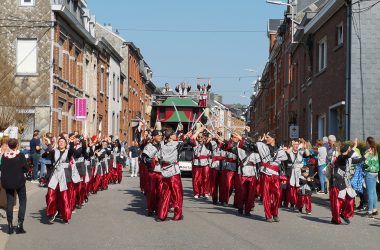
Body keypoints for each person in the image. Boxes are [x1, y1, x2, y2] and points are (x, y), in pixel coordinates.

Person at [156, 129, 190, 221]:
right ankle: (177, 215)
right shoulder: (176, 144)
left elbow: (159, 157)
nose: (175, 135)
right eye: (174, 134)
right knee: (177, 194)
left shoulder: (162, 145)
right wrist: (187, 136)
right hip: (173, 172)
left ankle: (162, 215)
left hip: (164, 172)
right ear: (170, 136)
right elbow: (186, 142)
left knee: (165, 194)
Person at [328, 144, 364, 224]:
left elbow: (358, 160)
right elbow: (347, 156)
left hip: (345, 182)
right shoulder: (340, 158)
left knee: (350, 200)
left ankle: (344, 214)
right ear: (347, 150)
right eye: (349, 149)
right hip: (336, 183)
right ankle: (335, 219)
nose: (350, 150)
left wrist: (366, 154)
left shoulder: (348, 159)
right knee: (337, 202)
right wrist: (354, 147)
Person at [256, 132, 288, 222]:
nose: (266, 139)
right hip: (265, 174)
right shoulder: (263, 146)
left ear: (273, 138)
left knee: (278, 194)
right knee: (266, 195)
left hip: (275, 174)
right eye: (266, 137)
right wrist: (260, 141)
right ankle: (268, 215)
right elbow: (255, 146)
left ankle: (275, 213)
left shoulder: (279, 149)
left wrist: (283, 176)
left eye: (268, 137)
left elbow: (283, 164)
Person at [43, 136, 74, 224]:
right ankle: (51, 213)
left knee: (64, 196)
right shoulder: (54, 151)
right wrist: (49, 145)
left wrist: (71, 142)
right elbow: (45, 156)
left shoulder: (68, 152)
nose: (61, 143)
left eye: (63, 142)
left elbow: (72, 151)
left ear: (65, 143)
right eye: (59, 141)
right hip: (55, 175)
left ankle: (65, 216)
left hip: (65, 175)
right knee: (50, 194)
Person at [0, 138, 28, 234]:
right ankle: (20, 224)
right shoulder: (20, 155)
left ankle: (10, 225)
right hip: (19, 182)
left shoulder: (4, 156)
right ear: (17, 145)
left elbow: (2, 168)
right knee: (23, 201)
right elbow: (26, 168)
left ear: (8, 145)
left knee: (9, 203)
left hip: (8, 183)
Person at [141, 130, 163, 216]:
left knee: (160, 192)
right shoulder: (148, 146)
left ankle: (159, 208)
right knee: (151, 192)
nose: (160, 137)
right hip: (152, 172)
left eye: (161, 135)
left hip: (161, 172)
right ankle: (150, 209)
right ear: (153, 137)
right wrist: (153, 160)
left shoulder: (163, 145)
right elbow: (144, 159)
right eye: (158, 135)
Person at [190, 127, 211, 198]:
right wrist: (198, 131)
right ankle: (196, 192)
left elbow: (211, 139)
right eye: (198, 137)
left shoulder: (207, 143)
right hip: (196, 163)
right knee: (196, 179)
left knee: (206, 178)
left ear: (204, 137)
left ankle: (205, 192)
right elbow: (192, 139)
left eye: (201, 137)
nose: (200, 138)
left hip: (205, 163)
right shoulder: (195, 143)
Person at [363, 137, 379, 218]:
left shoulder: (368, 151)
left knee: (370, 192)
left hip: (369, 173)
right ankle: (375, 209)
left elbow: (365, 162)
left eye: (366, 142)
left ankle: (369, 211)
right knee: (374, 192)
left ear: (368, 143)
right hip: (375, 173)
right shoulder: (375, 151)